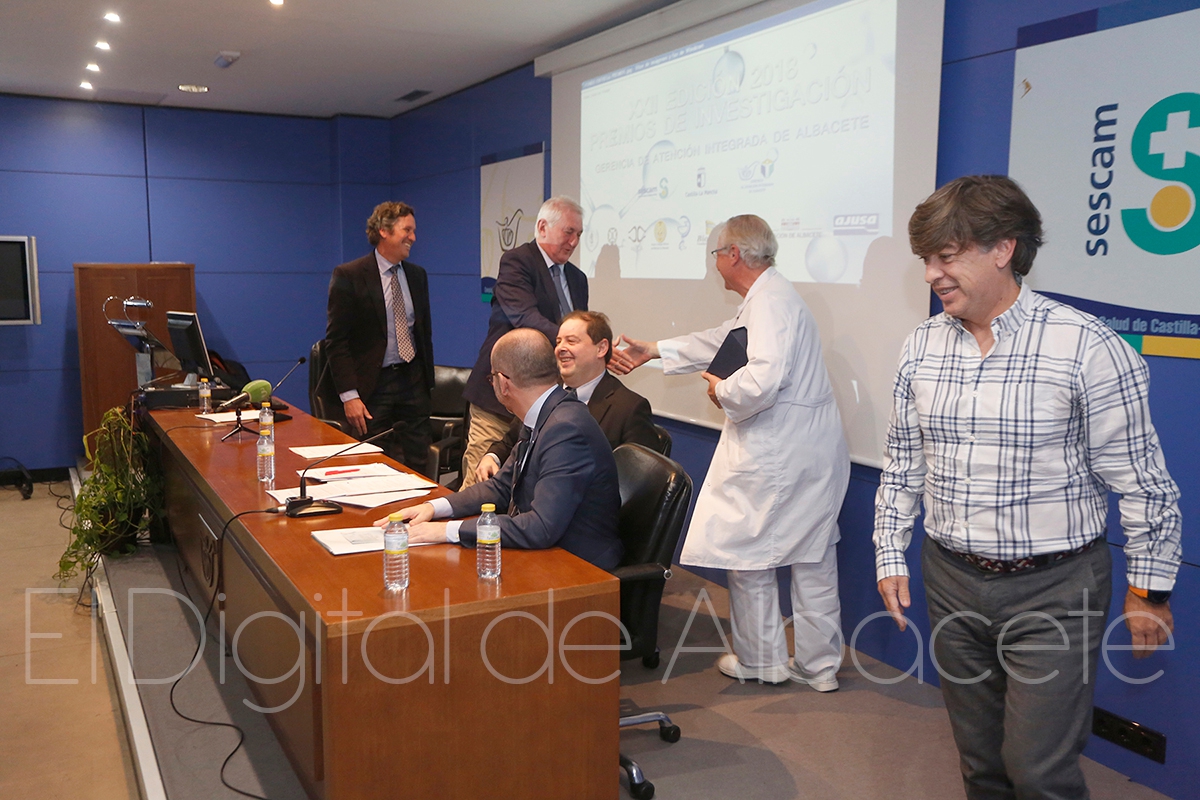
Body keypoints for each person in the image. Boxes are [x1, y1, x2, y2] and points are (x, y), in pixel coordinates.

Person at [873, 175, 1181, 799]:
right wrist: (888, 551)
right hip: (950, 579)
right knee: (980, 763)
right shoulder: (921, 347)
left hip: (1055, 590)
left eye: (946, 256)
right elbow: (903, 462)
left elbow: (1144, 483)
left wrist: (1150, 590)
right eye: (926, 260)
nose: (932, 274)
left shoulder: (1086, 346)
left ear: (1003, 248)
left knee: (1039, 771)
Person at [611, 214, 850, 690]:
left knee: (747, 553)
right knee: (813, 557)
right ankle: (819, 666)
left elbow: (761, 379)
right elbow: (724, 340)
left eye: (717, 253)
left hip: (779, 453)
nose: (716, 262)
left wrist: (721, 391)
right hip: (805, 451)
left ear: (734, 254)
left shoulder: (771, 304)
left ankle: (762, 661)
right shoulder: (770, 298)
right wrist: (655, 349)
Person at [381, 328, 623, 570]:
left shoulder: (565, 430)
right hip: (547, 555)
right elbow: (500, 486)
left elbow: (541, 527)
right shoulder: (544, 413)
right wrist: (434, 508)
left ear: (504, 383)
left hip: (580, 568)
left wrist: (447, 531)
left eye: (492, 378)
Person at [460, 196, 588, 488]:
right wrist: (574, 343)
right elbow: (526, 318)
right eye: (569, 232)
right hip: (500, 399)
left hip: (543, 404)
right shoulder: (517, 262)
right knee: (480, 487)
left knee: (525, 489)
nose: (574, 241)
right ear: (542, 227)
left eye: (579, 234)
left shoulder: (578, 279)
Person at [475, 310, 659, 483]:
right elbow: (511, 440)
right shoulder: (543, 391)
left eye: (571, 341)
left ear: (601, 348)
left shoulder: (629, 408)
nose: (560, 348)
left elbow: (639, 481)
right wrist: (492, 457)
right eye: (558, 341)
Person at [325, 201, 433, 471]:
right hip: (372, 386)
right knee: (373, 463)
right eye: (407, 230)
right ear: (384, 230)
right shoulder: (349, 275)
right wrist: (349, 396)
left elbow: (423, 333)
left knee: (419, 462)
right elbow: (337, 341)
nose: (413, 237)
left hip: (412, 381)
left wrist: (425, 383)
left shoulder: (417, 276)